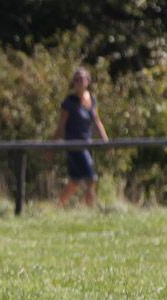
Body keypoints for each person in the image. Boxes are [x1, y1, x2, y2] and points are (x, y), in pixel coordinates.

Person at [50, 67, 109, 206]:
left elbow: (96, 122)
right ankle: (90, 209)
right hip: (74, 145)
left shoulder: (91, 99)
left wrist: (106, 141)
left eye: (81, 79)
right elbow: (61, 126)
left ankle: (58, 206)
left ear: (88, 81)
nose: (79, 82)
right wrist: (51, 147)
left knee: (75, 181)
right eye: (76, 80)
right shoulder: (69, 102)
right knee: (91, 177)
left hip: (88, 144)